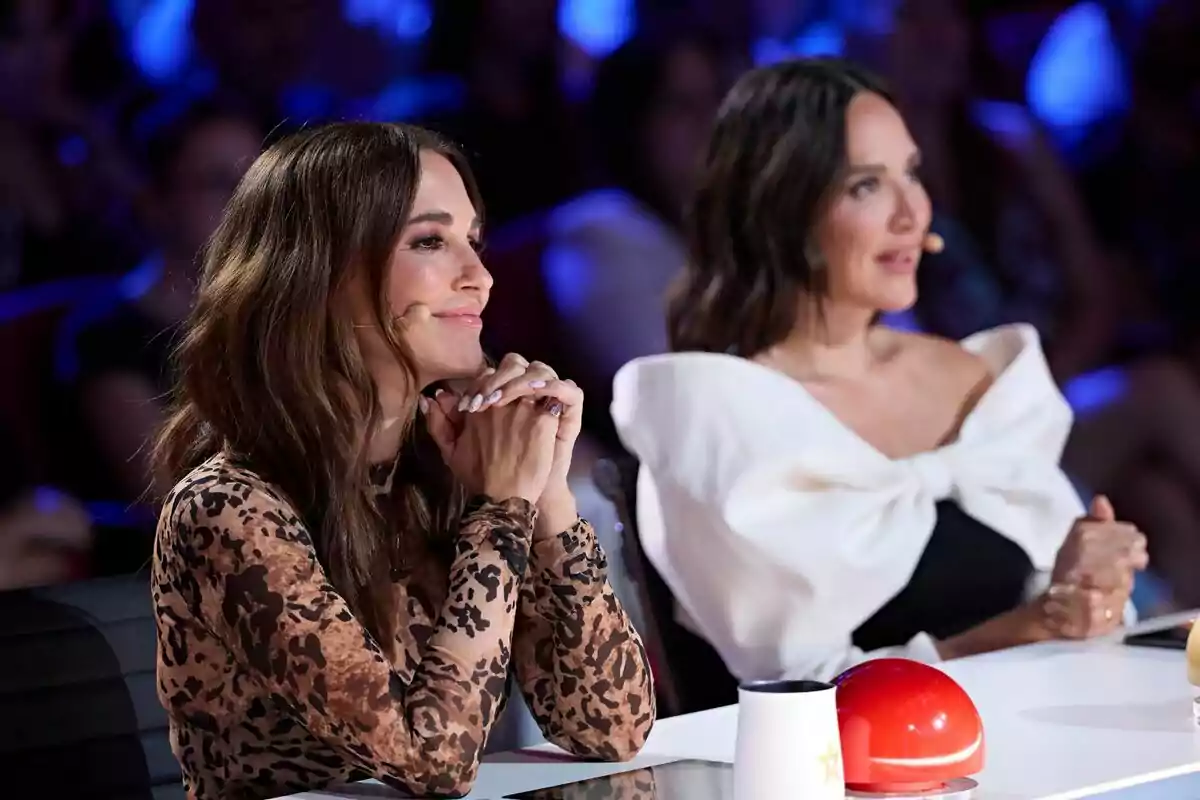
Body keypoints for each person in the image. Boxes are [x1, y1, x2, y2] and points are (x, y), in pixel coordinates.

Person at [151, 122, 654, 799]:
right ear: (322, 273)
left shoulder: (451, 460)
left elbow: (610, 727)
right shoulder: (227, 509)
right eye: (429, 242)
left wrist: (545, 486)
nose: (479, 276)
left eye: (472, 242)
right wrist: (503, 508)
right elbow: (432, 762)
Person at [611, 59, 1147, 684]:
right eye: (866, 185)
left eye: (911, 174)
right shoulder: (719, 421)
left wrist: (1091, 586)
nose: (912, 213)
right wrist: (1034, 625)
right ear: (783, 208)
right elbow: (800, 692)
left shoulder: (973, 379)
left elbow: (1067, 600)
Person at [64, 102, 263, 506]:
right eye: (219, 182)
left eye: (258, 182)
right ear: (156, 200)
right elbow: (173, 498)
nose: (249, 204)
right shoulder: (107, 336)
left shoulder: (289, 314)